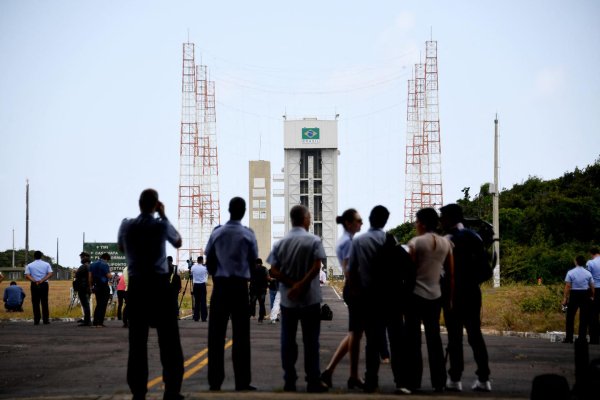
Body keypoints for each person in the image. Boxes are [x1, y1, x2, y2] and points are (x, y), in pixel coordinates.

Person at [118, 188, 184, 400]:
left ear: (139, 204)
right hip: (159, 285)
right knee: (169, 342)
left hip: (137, 286)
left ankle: (138, 391)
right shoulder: (161, 225)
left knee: (137, 342)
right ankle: (172, 390)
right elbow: (177, 241)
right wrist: (163, 215)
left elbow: (121, 247)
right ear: (156, 205)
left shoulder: (127, 225)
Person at [267, 204, 328, 393]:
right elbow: (317, 266)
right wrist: (301, 284)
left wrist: (291, 283)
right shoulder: (314, 240)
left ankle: (290, 380)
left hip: (288, 300)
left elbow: (273, 270)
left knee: (288, 340)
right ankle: (313, 380)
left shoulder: (280, 243)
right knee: (311, 341)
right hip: (310, 299)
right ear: (305, 219)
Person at [204, 197, 258, 391]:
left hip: (221, 287)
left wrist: (217, 277)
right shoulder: (248, 235)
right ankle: (242, 381)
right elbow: (253, 262)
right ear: (243, 212)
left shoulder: (217, 233)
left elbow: (209, 259)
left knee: (216, 336)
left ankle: (215, 381)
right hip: (239, 288)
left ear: (229, 210)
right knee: (242, 337)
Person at [440, 203, 492, 392]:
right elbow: (486, 269)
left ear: (450, 219)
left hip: (453, 294)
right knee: (475, 335)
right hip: (472, 292)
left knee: (454, 338)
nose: (440, 221)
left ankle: (455, 378)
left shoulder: (448, 239)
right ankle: (484, 378)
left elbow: (442, 271)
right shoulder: (475, 237)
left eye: (443, 217)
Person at [405, 207, 453, 392]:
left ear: (423, 224)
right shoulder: (446, 244)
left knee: (413, 341)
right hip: (436, 296)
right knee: (434, 339)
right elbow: (451, 274)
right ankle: (439, 381)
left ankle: (414, 382)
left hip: (416, 296)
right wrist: (449, 298)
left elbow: (410, 272)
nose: (416, 225)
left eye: (417, 222)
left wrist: (405, 298)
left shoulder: (416, 242)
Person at [321, 208, 365, 390]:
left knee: (355, 335)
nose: (361, 223)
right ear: (349, 223)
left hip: (353, 288)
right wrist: (356, 289)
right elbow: (348, 268)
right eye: (358, 220)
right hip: (355, 289)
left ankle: (338, 372)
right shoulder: (348, 242)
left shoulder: (349, 241)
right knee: (356, 334)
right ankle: (348, 375)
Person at [562, 255, 595, 344]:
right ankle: (582, 338)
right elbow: (592, 286)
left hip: (574, 294)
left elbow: (568, 286)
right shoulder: (588, 273)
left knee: (570, 317)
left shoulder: (571, 272)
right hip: (585, 294)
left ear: (576, 262)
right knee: (584, 318)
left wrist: (565, 298)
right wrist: (592, 296)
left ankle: (569, 338)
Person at [24, 250, 53, 325]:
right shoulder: (46, 264)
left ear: (34, 256)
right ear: (41, 256)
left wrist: (34, 280)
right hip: (44, 284)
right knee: (44, 302)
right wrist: (42, 280)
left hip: (34, 284)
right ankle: (45, 320)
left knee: (35, 302)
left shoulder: (29, 265)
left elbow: (27, 275)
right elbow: (50, 273)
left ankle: (36, 320)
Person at [89, 253, 112, 327]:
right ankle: (100, 322)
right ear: (106, 258)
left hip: (96, 286)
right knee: (103, 304)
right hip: (104, 286)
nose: (107, 261)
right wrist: (111, 275)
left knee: (98, 304)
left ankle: (95, 321)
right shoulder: (105, 264)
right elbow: (108, 276)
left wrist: (91, 286)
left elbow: (90, 277)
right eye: (107, 260)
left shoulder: (92, 264)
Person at [74, 251, 92, 326]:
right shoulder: (89, 266)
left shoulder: (84, 266)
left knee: (85, 304)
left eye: (81, 257)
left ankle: (87, 321)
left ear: (85, 257)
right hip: (86, 288)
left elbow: (79, 276)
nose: (80, 259)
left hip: (83, 288)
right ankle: (87, 320)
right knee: (86, 304)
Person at [249, 258, 269, 323]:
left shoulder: (251, 269)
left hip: (253, 289)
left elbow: (248, 278)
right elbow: (268, 277)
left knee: (252, 302)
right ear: (261, 263)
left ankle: (252, 315)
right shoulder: (265, 269)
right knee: (262, 304)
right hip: (262, 289)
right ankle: (260, 318)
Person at [587, 247, 600, 344]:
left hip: (595, 289)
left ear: (591, 253)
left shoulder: (590, 263)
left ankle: (594, 339)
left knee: (593, 315)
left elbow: (589, 278)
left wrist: (591, 294)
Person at [191, 256, 208, 322]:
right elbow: (207, 273)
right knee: (203, 302)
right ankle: (203, 318)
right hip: (202, 285)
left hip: (196, 285)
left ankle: (196, 317)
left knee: (197, 302)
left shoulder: (193, 267)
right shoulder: (204, 268)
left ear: (197, 260)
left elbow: (191, 273)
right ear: (202, 260)